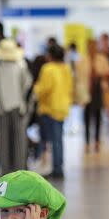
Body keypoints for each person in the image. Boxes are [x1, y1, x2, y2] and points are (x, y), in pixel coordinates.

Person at [0, 39, 32, 175]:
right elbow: (27, 85)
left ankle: (5, 171)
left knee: (3, 142)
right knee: (19, 141)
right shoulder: (21, 67)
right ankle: (20, 171)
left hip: (2, 110)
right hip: (18, 108)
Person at [33, 45, 72, 180]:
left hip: (49, 108)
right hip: (62, 107)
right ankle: (58, 167)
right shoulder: (66, 68)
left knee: (48, 140)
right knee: (59, 139)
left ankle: (55, 169)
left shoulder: (47, 69)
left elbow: (44, 88)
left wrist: (35, 89)